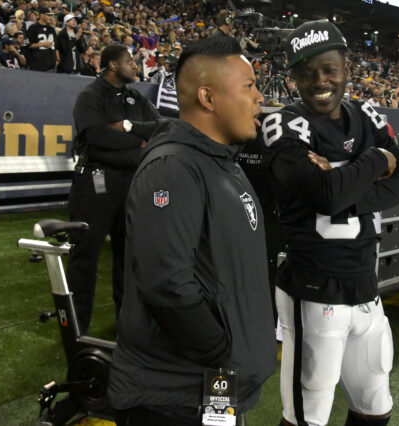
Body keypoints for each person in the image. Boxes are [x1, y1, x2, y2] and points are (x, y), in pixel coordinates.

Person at [108, 36, 277, 425]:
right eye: (249, 86)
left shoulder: (224, 165)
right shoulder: (172, 169)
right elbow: (165, 284)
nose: (260, 98)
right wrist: (224, 351)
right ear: (208, 97)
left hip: (212, 388)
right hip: (175, 399)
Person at [261, 20, 399, 426]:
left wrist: (341, 185)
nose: (320, 81)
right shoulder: (284, 124)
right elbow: (329, 196)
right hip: (315, 288)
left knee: (375, 406)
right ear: (293, 78)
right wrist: (374, 161)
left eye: (329, 68)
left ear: (347, 68)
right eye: (307, 72)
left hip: (366, 285)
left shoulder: (364, 113)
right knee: (308, 413)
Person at [67, 44, 160, 334]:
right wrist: (137, 143)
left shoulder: (135, 98)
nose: (135, 66)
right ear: (111, 65)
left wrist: (128, 127)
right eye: (129, 61)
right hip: (95, 184)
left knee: (127, 257)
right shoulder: (90, 96)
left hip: (131, 185)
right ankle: (75, 326)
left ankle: (127, 325)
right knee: (85, 257)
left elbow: (157, 129)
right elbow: (95, 136)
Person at [26, 6, 56, 71]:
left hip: (50, 64)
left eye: (51, 16)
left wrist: (56, 60)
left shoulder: (52, 29)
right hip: (37, 64)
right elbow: (29, 45)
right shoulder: (33, 28)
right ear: (42, 15)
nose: (51, 18)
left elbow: (55, 46)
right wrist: (42, 44)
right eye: (48, 15)